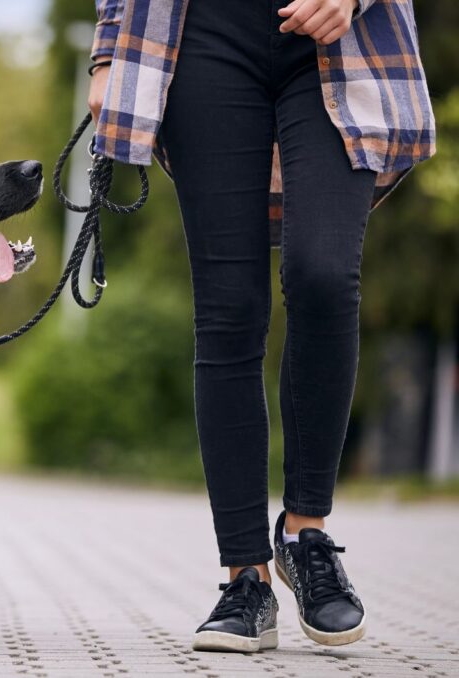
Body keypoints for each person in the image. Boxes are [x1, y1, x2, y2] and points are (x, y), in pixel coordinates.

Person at [88, 0, 435, 654]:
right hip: (202, 35)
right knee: (228, 307)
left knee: (324, 275)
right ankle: (244, 578)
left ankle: (307, 536)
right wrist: (108, 51)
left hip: (342, 38)